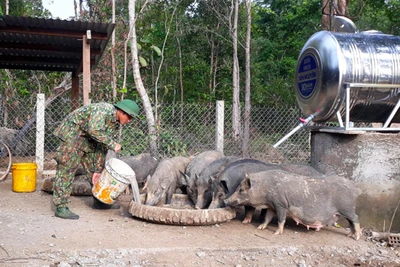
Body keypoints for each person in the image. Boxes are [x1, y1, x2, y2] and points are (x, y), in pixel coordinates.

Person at [52, 99, 139, 220]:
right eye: (129, 117)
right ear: (122, 111)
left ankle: (99, 201)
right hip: (72, 135)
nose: (129, 121)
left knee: (93, 171)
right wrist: (113, 144)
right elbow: (94, 130)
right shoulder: (103, 111)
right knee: (67, 169)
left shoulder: (114, 123)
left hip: (87, 139)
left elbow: (101, 146)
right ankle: (61, 206)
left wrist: (97, 169)